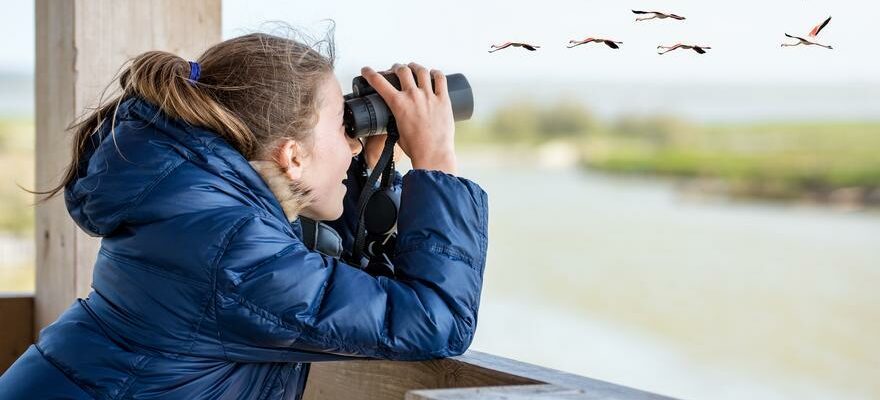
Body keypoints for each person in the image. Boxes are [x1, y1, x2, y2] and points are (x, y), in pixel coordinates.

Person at [0, 31, 488, 399]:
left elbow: (343, 290)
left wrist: (369, 169)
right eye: (344, 125)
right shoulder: (231, 252)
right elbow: (434, 320)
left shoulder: (201, 211)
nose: (355, 140)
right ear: (292, 156)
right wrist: (437, 161)